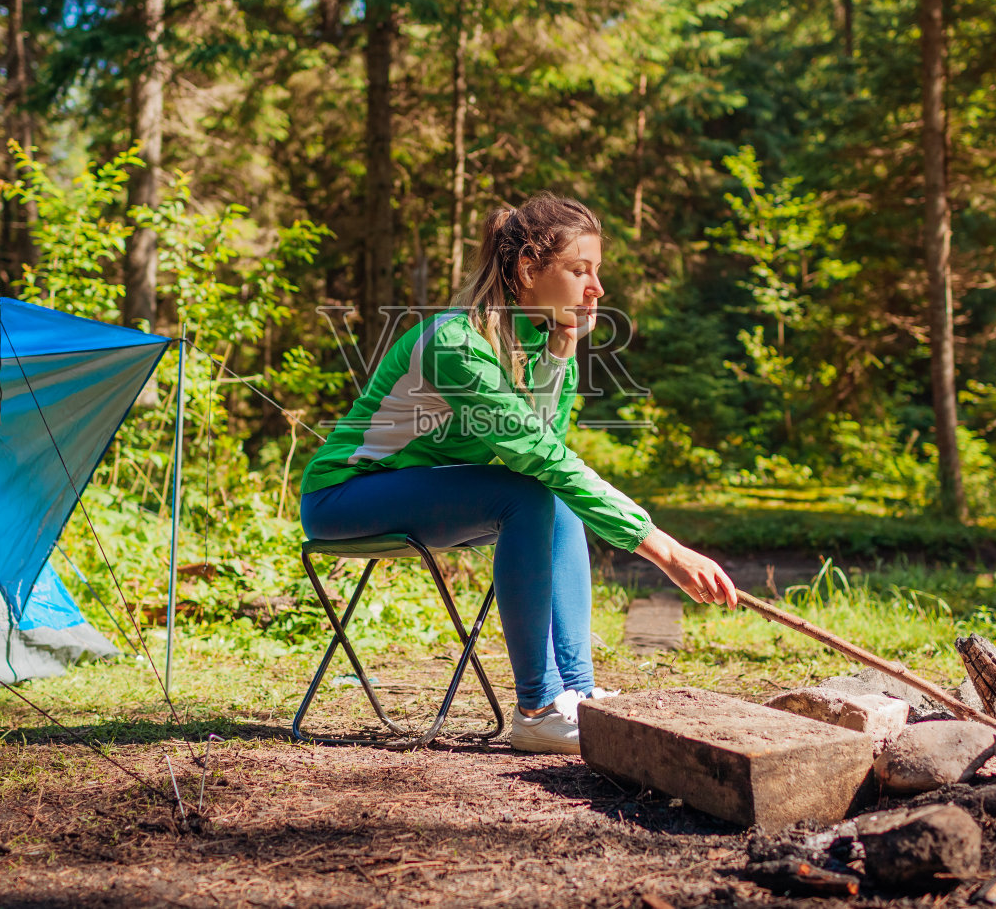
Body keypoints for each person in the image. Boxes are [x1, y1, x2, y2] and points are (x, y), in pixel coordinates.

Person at [299, 192, 738, 754]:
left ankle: (574, 695)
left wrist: (560, 355)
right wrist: (666, 552)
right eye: (580, 270)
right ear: (528, 271)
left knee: (549, 498)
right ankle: (536, 705)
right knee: (529, 496)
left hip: (419, 499)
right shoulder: (456, 343)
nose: (596, 289)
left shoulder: (537, 340)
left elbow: (545, 449)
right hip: (344, 496)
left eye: (596, 272)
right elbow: (538, 455)